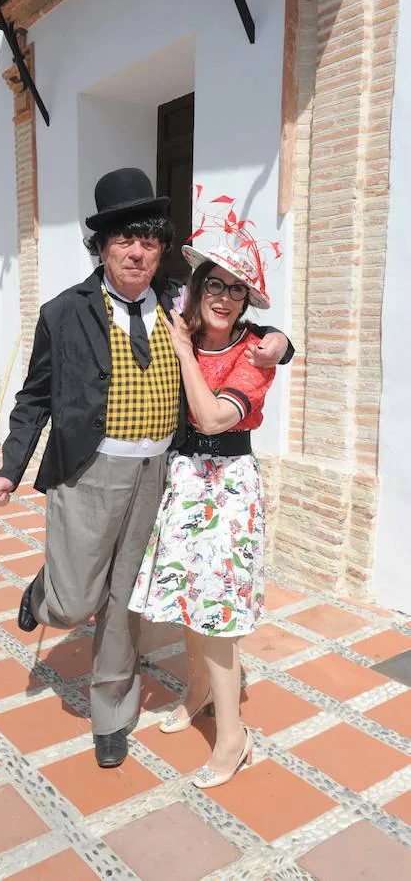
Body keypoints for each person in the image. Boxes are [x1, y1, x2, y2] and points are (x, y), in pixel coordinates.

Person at [0, 169, 293, 769]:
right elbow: (34, 397)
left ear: (159, 251)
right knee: (75, 604)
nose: (137, 252)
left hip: (159, 474)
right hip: (87, 470)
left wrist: (281, 340)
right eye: (124, 240)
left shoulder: (180, 297)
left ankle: (112, 713)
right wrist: (9, 467)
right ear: (101, 247)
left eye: (148, 242)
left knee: (126, 603)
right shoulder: (63, 313)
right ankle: (47, 588)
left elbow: (238, 319)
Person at [129, 194, 279, 789]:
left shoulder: (255, 354)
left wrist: (187, 352)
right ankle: (196, 692)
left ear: (247, 303)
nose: (223, 297)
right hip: (184, 480)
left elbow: (215, 418)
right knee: (190, 601)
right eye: (214, 285)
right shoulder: (183, 332)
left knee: (217, 612)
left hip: (228, 488)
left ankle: (234, 737)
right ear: (196, 288)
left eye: (236, 291)